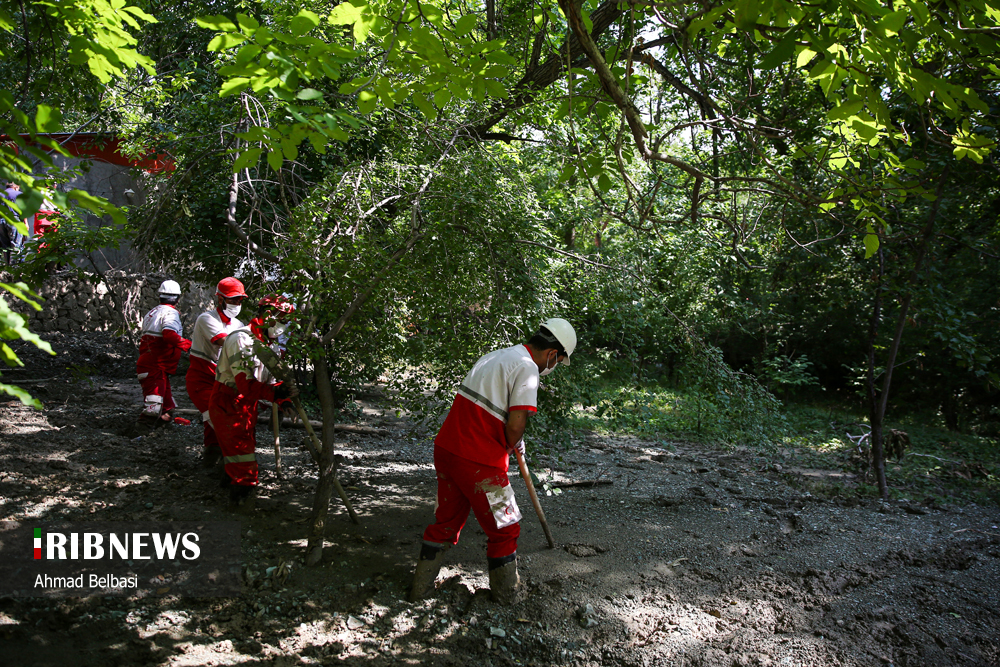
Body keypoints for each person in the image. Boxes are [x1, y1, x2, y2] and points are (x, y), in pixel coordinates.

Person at [409, 318, 577, 604]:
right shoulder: (527, 368)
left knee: (446, 522)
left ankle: (419, 590)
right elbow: (516, 422)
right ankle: (507, 595)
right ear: (552, 354)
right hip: (480, 463)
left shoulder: (498, 355)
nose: (554, 367)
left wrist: (512, 439)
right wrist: (515, 440)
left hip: (448, 451)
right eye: (558, 362)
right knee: (507, 526)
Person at [209, 294, 297, 512]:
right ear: (268, 315)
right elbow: (245, 385)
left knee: (241, 449)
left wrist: (284, 398)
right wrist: (274, 394)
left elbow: (273, 381)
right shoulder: (241, 339)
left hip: (248, 405)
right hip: (228, 402)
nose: (284, 325)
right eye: (282, 319)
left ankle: (227, 482)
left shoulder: (270, 346)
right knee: (243, 456)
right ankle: (240, 501)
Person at [185, 277, 247, 466]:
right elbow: (227, 342)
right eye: (233, 299)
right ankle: (227, 463)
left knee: (214, 420)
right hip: (201, 379)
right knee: (218, 417)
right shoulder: (206, 319)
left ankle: (212, 456)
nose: (237, 303)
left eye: (240, 300)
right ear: (220, 299)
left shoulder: (237, 325)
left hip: (221, 381)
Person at [135, 280, 192, 429]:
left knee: (167, 407)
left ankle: (161, 430)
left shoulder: (152, 313)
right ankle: (139, 433)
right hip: (155, 365)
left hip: (152, 365)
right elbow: (168, 335)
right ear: (178, 298)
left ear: (160, 296)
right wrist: (189, 345)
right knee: (153, 406)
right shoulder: (170, 313)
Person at [1, 182, 25, 265]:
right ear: (16, 187)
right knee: (16, 244)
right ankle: (14, 267)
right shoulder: (18, 194)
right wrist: (25, 223)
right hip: (14, 220)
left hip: (1, 220)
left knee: (4, 245)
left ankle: (5, 266)